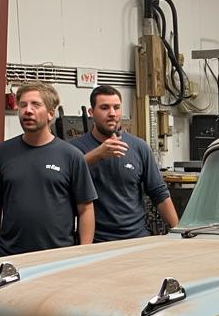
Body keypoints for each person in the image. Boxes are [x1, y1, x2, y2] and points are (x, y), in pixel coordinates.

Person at [0, 82, 96, 258]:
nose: (27, 110)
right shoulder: (1, 152)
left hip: (58, 256)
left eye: (36, 104)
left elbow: (85, 208)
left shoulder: (71, 155)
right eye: (23, 105)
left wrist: (83, 253)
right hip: (10, 255)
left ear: (50, 113)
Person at [70, 85, 178, 241]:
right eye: (104, 108)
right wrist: (97, 155)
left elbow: (159, 193)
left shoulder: (139, 147)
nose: (112, 113)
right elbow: (65, 183)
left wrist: (179, 232)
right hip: (98, 241)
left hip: (137, 239)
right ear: (91, 113)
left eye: (116, 107)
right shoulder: (75, 149)